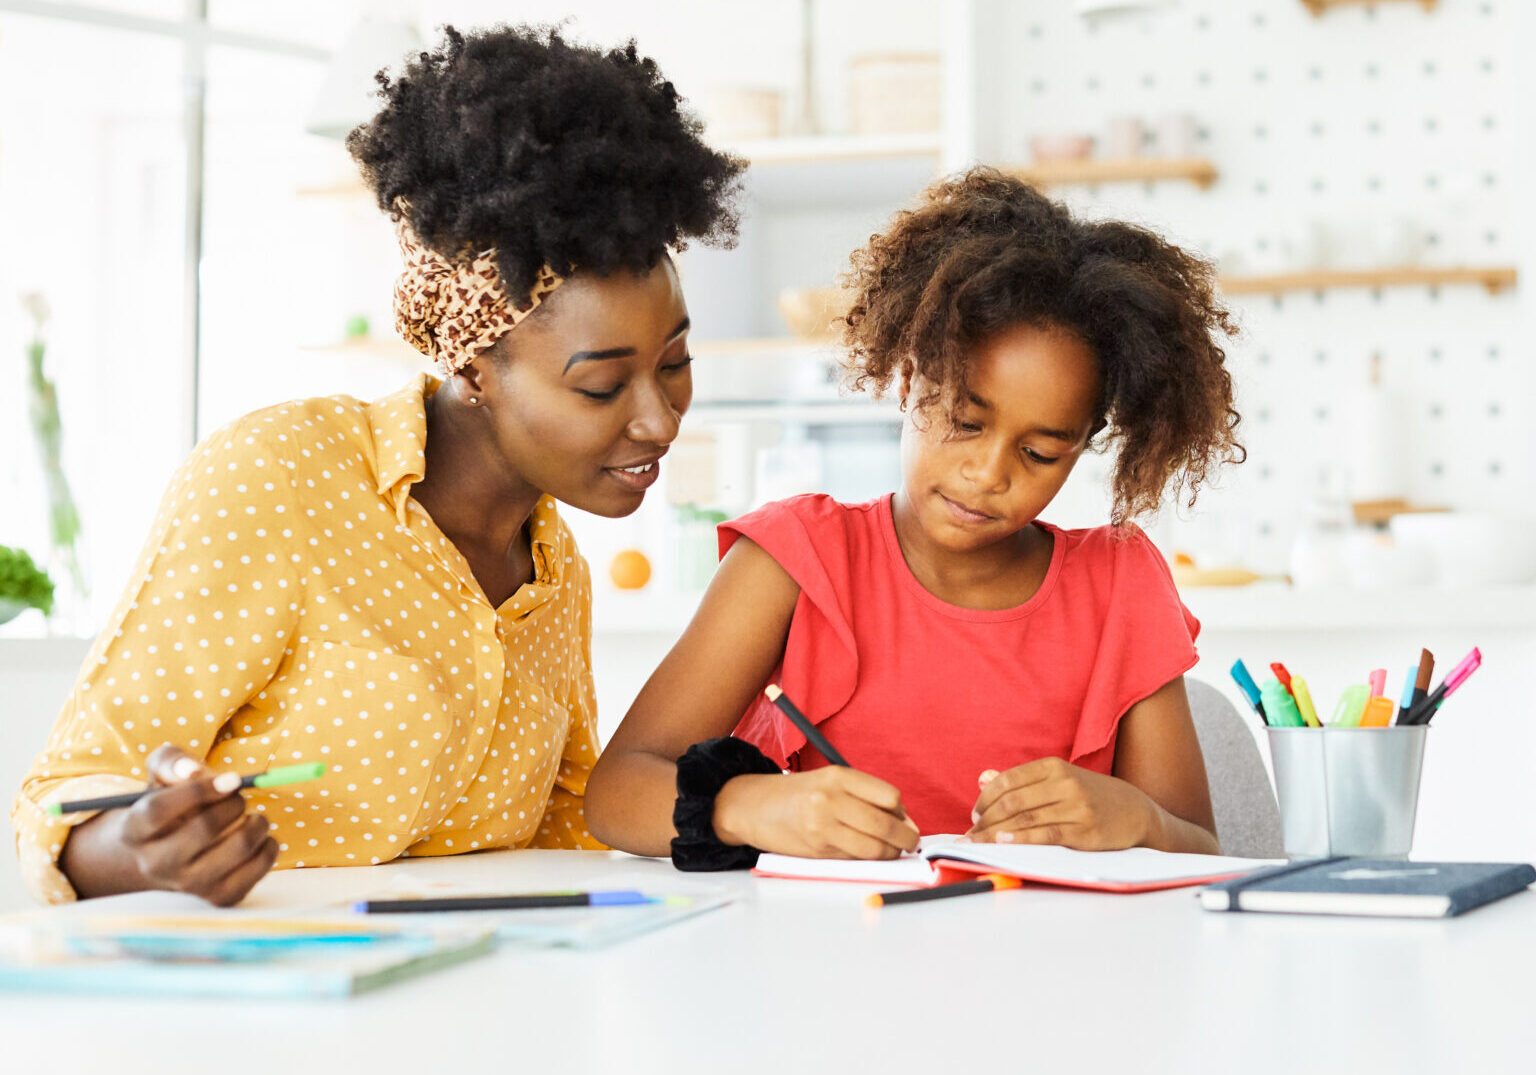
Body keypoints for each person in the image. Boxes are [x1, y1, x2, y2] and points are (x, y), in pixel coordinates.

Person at [12, 24, 743, 904]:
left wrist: (756, 806)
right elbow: (69, 792)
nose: (660, 420)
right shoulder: (280, 479)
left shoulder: (553, 571)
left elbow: (563, 826)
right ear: (474, 368)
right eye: (601, 387)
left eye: (674, 364)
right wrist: (137, 848)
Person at [586, 168, 1243, 868]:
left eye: (1040, 452)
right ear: (906, 377)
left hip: (1053, 966)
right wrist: (751, 806)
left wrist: (1137, 817)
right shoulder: (795, 560)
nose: (989, 474)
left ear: (1084, 445)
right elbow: (617, 793)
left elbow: (1201, 849)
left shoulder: (1118, 584)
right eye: (963, 420)